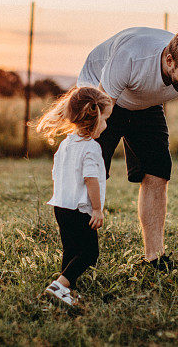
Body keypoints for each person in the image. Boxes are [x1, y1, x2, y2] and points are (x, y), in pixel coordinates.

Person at [78, 27, 178, 270]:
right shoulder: (132, 56)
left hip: (145, 101)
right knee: (93, 169)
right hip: (101, 95)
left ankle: (154, 259)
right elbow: (103, 107)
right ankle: (80, 257)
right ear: (169, 60)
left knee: (158, 169)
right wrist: (91, 148)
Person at [38, 86, 113, 306]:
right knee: (89, 253)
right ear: (95, 119)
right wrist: (97, 209)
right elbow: (91, 179)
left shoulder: (66, 144)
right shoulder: (91, 148)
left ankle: (66, 290)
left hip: (61, 206)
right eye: (105, 119)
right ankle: (59, 285)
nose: (107, 125)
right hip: (80, 210)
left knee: (71, 250)